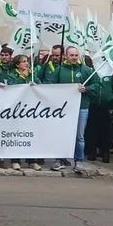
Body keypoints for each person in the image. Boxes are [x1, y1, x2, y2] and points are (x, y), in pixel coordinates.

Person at [44, 46, 99, 174]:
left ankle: (78, 161)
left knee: (79, 136)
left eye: (76, 55)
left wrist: (87, 89)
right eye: (71, 55)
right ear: (66, 56)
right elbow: (49, 85)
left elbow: (97, 84)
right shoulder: (59, 70)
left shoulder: (86, 70)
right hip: (63, 109)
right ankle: (60, 160)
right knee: (62, 134)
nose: (74, 58)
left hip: (82, 107)